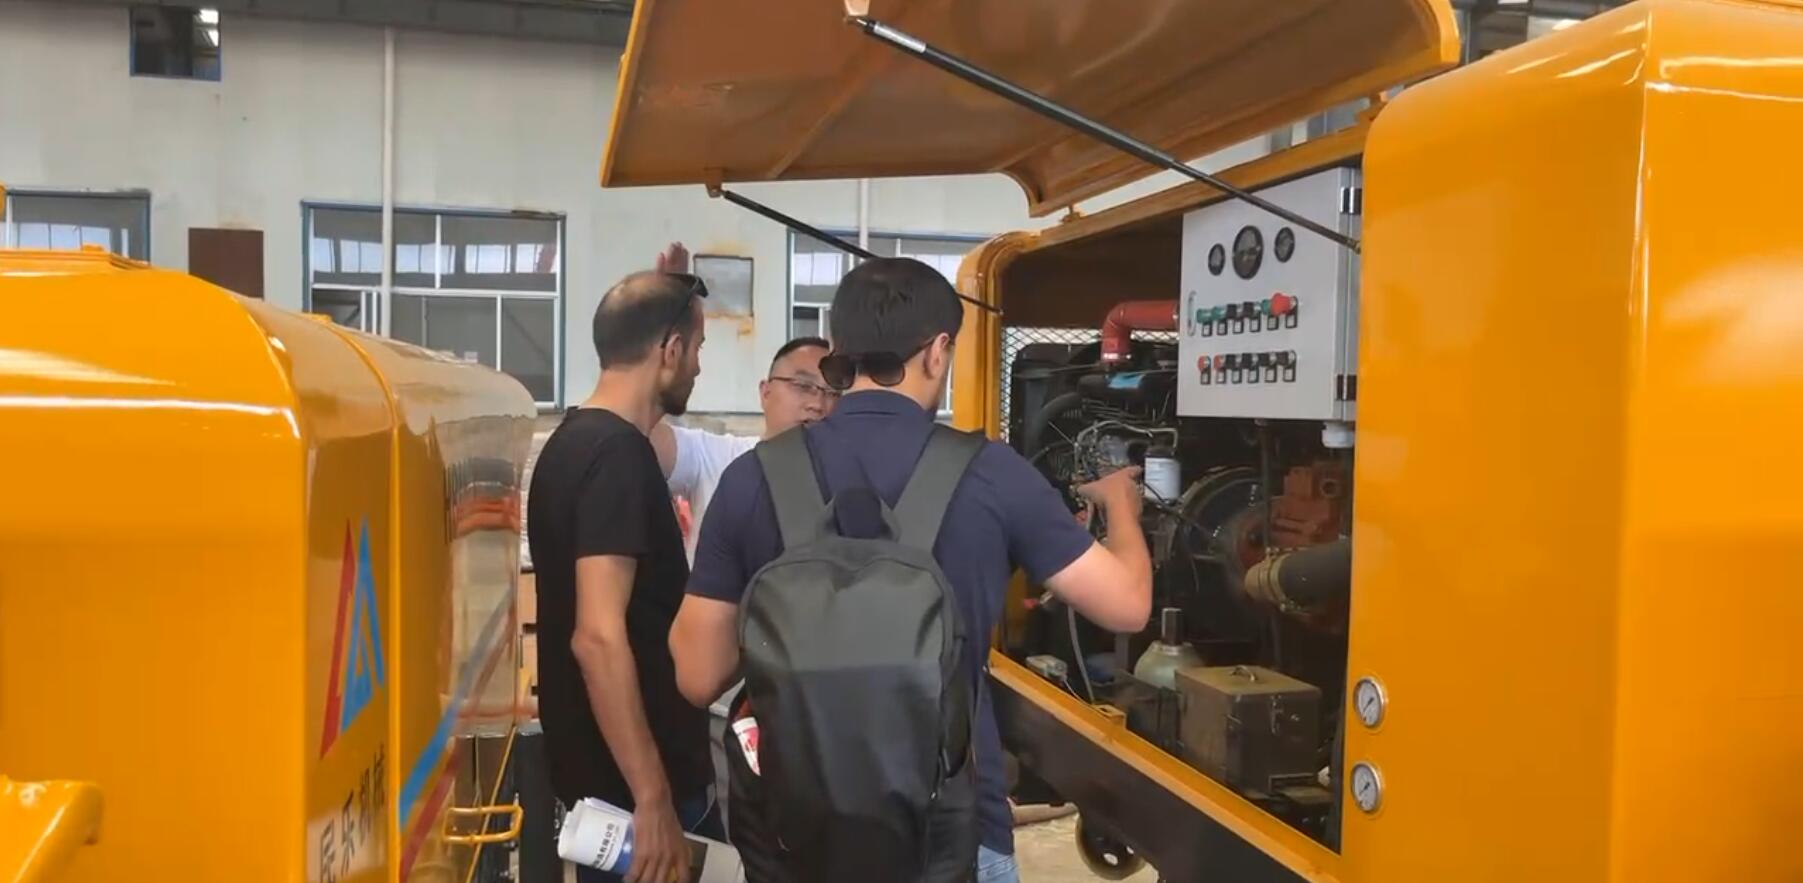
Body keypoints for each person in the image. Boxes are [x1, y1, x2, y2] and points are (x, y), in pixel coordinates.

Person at [668, 257, 1154, 883]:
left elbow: (696, 676)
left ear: (838, 348)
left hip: (795, 838)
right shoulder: (992, 474)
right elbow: (1128, 605)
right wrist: (1121, 507)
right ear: (938, 351)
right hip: (951, 833)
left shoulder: (753, 478)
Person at [527, 269, 718, 883]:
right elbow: (597, 636)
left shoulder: (570, 444)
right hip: (635, 809)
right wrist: (652, 796)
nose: (698, 367)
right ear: (670, 350)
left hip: (604, 791)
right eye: (698, 349)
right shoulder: (618, 457)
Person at [650, 335, 836, 563]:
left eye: (833, 393)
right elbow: (637, 432)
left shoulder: (845, 479)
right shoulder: (714, 455)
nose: (817, 404)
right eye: (803, 386)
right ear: (765, 392)